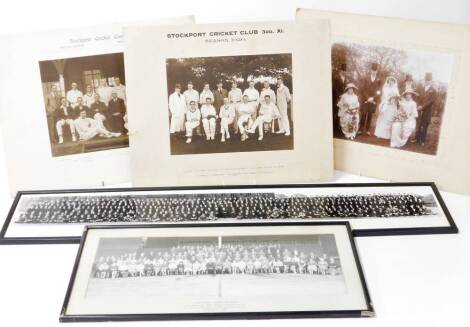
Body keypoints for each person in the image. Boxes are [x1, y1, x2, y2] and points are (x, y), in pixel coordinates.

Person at [359, 62, 382, 135]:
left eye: (375, 71)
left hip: (373, 100)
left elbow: (379, 91)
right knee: (363, 114)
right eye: (372, 70)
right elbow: (362, 89)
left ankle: (368, 130)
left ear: (377, 71)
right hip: (365, 99)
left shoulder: (379, 80)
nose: (374, 72)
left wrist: (373, 98)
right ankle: (360, 129)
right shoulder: (366, 78)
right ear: (371, 70)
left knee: (370, 115)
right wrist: (368, 98)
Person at [415, 72, 437, 146]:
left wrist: (422, 106)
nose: (427, 82)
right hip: (419, 109)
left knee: (424, 126)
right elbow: (417, 97)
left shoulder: (433, 90)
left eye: (428, 81)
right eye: (426, 80)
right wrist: (418, 105)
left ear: (431, 81)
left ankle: (422, 141)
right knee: (418, 124)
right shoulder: (420, 88)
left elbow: (431, 101)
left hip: (427, 111)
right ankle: (417, 139)